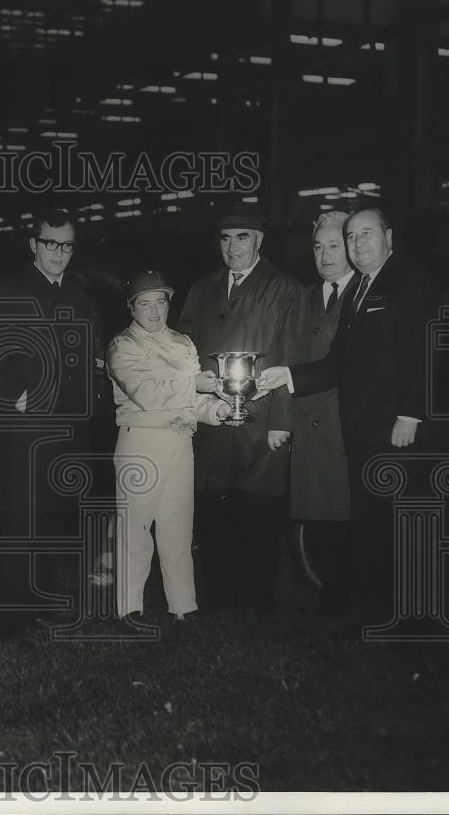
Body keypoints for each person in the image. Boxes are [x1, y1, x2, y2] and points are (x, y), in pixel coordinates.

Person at [260, 207, 445, 636]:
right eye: (353, 237)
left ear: (389, 237)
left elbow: (427, 347)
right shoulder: (362, 287)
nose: (359, 245)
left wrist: (410, 413)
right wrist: (288, 376)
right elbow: (338, 362)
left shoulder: (408, 279)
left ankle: (416, 622)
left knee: (403, 529)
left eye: (367, 235)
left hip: (397, 431)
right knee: (374, 530)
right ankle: (380, 617)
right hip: (363, 433)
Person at [0, 209, 97, 641]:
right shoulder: (7, 292)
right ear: (33, 245)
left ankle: (38, 609)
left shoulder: (79, 297)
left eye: (66, 245)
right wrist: (14, 396)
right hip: (23, 434)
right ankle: (10, 622)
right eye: (49, 243)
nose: (58, 252)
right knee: (18, 526)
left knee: (50, 521)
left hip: (66, 433)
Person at [174, 202, 300, 613]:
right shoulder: (202, 288)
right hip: (212, 414)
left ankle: (256, 600)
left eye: (242, 238)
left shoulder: (283, 288)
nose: (233, 248)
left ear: (259, 241)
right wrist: (192, 400)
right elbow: (185, 351)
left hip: (260, 418)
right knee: (213, 509)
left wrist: (281, 420)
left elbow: (291, 356)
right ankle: (221, 596)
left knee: (256, 509)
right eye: (225, 239)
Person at [106, 270, 232, 629]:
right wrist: (191, 383)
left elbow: (192, 400)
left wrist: (217, 410)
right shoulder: (122, 345)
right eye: (145, 303)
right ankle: (129, 606)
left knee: (178, 529)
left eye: (160, 302)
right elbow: (146, 394)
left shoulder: (183, 342)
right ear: (132, 308)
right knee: (135, 530)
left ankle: (183, 604)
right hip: (141, 441)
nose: (154, 310)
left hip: (180, 441)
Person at [283, 211, 355, 616]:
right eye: (318, 246)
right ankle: (332, 595)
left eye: (335, 246)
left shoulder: (365, 294)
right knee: (319, 518)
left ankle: (346, 599)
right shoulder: (303, 296)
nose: (325, 256)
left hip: (342, 427)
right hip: (306, 425)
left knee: (345, 519)